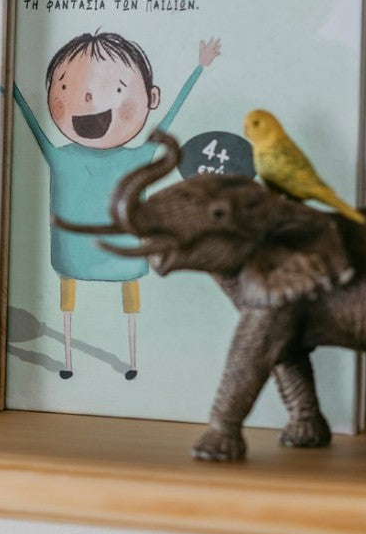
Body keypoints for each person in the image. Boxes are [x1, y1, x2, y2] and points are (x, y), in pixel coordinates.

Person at [13, 30, 220, 379]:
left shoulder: (136, 156)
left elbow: (170, 116)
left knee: (96, 298)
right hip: (85, 251)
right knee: (81, 298)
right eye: (66, 88)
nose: (90, 97)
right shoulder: (75, 157)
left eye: (117, 89)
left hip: (104, 251)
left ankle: (99, 361)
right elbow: (26, 111)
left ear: (151, 97)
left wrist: (199, 69)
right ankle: (79, 361)